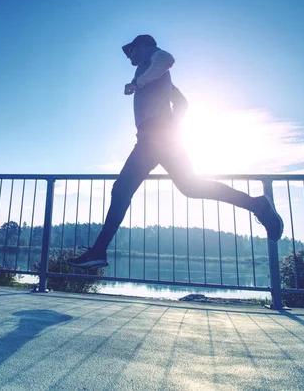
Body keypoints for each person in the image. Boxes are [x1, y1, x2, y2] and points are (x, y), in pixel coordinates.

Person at [68, 34, 284, 269]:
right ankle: (258, 205)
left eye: (130, 50)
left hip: (155, 139)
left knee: (122, 190)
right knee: (189, 187)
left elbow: (167, 58)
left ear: (142, 46)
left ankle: (99, 251)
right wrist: (172, 125)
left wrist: (138, 85)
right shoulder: (160, 78)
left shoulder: (153, 58)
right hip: (157, 138)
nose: (127, 55)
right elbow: (182, 103)